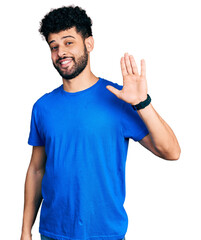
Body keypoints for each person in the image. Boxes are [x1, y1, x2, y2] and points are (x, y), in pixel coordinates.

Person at [20, 5, 181, 240]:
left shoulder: (119, 97)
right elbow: (36, 170)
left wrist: (142, 103)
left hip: (105, 234)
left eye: (68, 42)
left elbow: (171, 152)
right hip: (53, 233)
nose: (60, 52)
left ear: (89, 44)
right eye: (54, 46)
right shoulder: (42, 107)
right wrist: (25, 231)